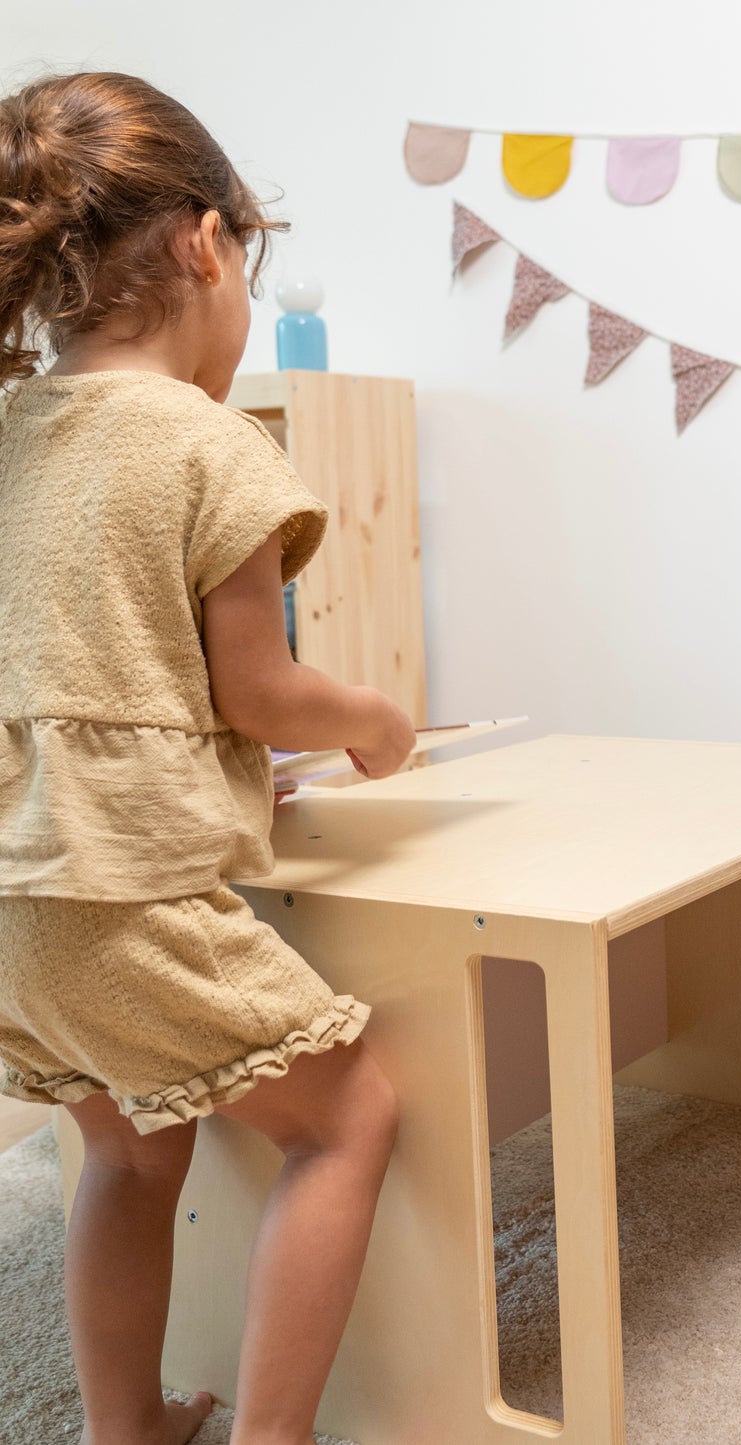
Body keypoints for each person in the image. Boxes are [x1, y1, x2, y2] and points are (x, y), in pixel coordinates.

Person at [0, 72, 416, 1444]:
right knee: (347, 1112)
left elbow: (82, 671)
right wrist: (371, 718)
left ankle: (126, 1429)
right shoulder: (206, 441)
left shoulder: (12, 433)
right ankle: (272, 1434)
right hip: (123, 892)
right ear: (207, 246)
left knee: (125, 1146)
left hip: (19, 892)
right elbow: (262, 691)